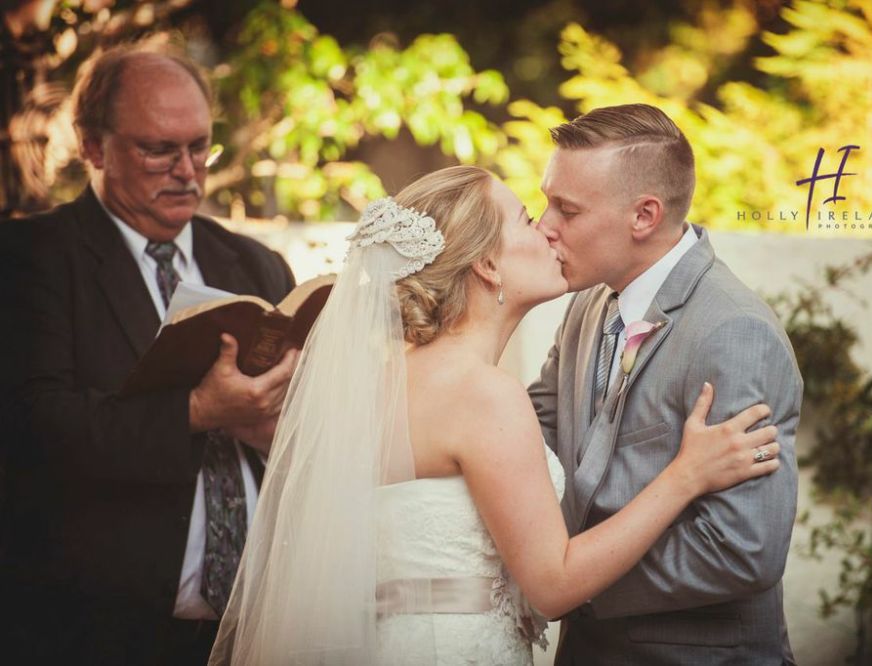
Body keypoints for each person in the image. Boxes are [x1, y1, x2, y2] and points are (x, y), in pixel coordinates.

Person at [209, 165, 783, 665]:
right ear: (486, 263)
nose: (550, 230)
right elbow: (552, 585)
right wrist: (686, 475)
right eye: (528, 219)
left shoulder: (382, 382)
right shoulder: (482, 395)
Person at [0, 44, 299, 665]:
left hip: (256, 625)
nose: (188, 171)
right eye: (159, 149)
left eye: (200, 147)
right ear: (92, 146)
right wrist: (196, 410)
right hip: (96, 628)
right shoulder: (33, 258)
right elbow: (35, 427)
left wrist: (276, 426)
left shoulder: (254, 263)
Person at [529, 103, 803, 664]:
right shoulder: (587, 301)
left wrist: (572, 581)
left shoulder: (734, 333)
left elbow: (742, 549)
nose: (544, 225)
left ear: (644, 215)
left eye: (567, 209)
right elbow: (534, 433)